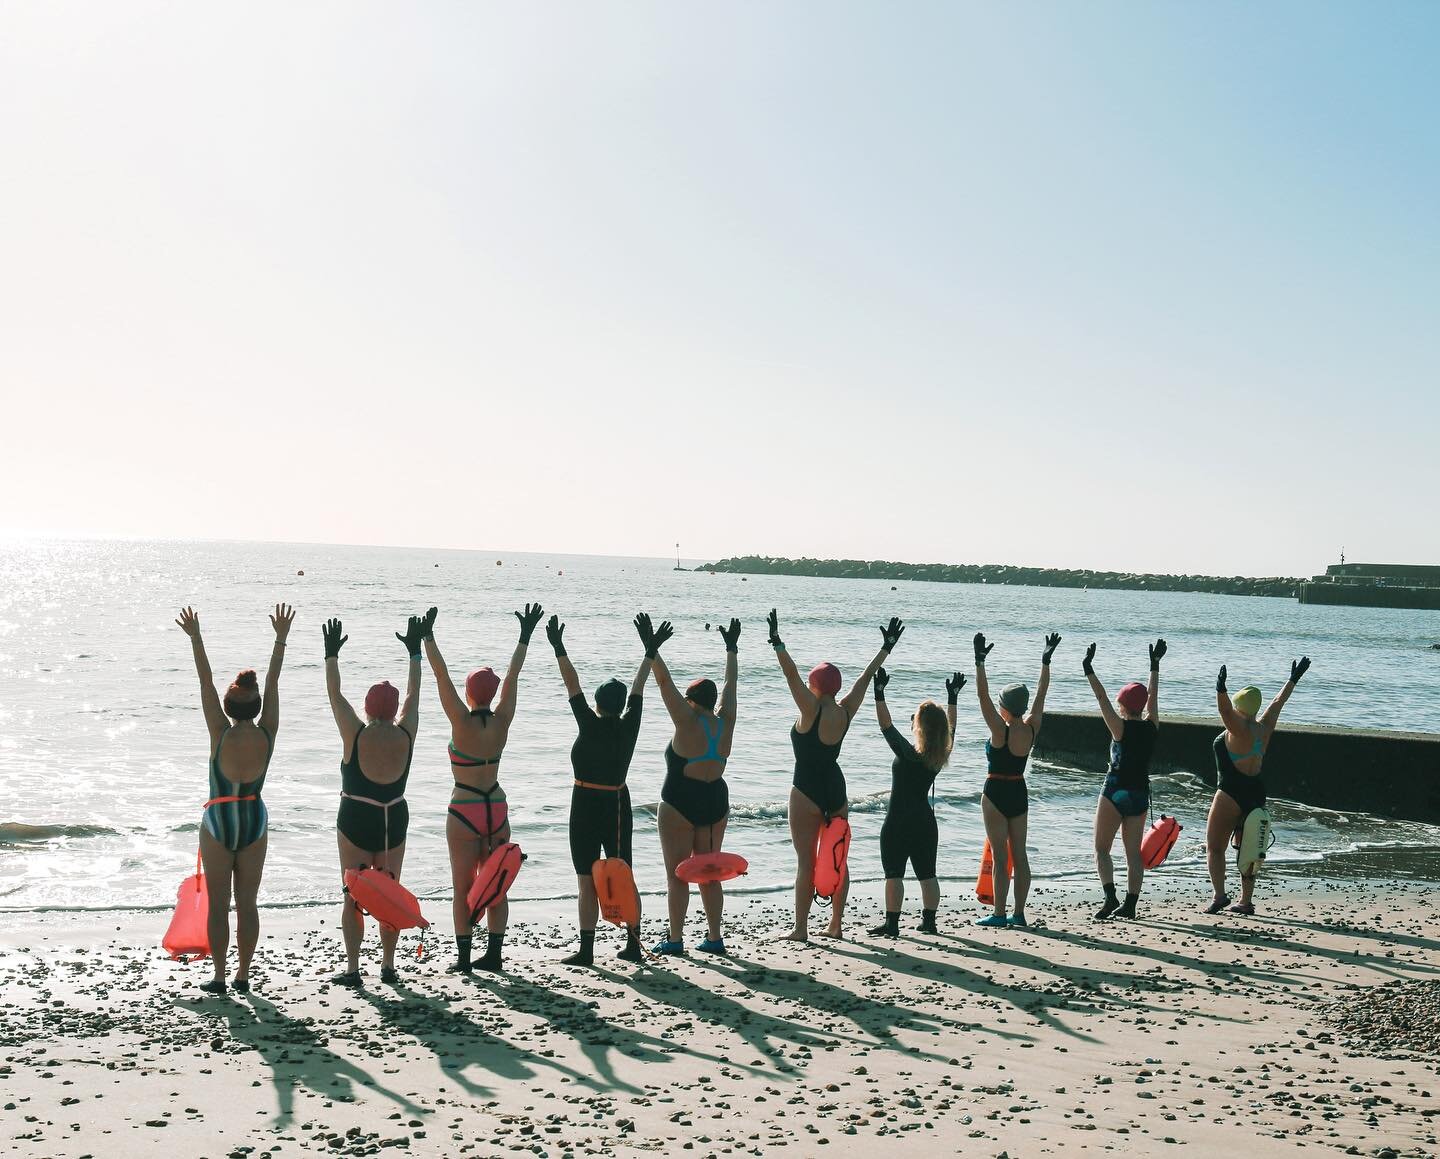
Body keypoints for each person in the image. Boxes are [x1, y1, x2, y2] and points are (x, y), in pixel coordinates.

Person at [175, 604, 293, 995]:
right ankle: (243, 975)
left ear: (227, 706)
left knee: (218, 903)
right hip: (253, 818)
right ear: (257, 706)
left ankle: (221, 977)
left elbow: (205, 681)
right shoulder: (268, 732)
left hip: (220, 819)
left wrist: (196, 636)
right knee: (248, 904)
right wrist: (280, 639)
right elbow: (273, 683)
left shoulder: (219, 732)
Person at [421, 602, 543, 974]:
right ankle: (494, 954)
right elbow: (513, 676)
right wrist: (525, 635)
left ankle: (463, 958)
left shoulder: (460, 720)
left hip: (465, 808)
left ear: (469, 692)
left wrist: (427, 636)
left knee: (464, 885)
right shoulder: (503, 718)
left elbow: (439, 675)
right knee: (497, 883)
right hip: (497, 806)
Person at [770, 608, 901, 941]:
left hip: (806, 789)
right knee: (837, 857)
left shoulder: (809, 708)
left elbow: (790, 676)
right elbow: (864, 678)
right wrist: (885, 649)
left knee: (806, 862)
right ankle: (835, 925)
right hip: (836, 788)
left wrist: (777, 643)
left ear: (814, 685)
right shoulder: (844, 710)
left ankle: (801, 930)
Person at [545, 610, 652, 966]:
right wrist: (649, 652)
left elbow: (570, 684)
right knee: (622, 874)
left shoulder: (588, 722)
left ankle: (588, 949)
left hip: (585, 805)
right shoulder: (630, 725)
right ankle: (633, 944)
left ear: (596, 702)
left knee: (585, 879)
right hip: (616, 804)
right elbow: (638, 690)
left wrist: (559, 647)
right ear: (620, 706)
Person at [324, 613, 425, 987]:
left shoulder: (354, 730)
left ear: (366, 706)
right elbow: (414, 695)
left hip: (356, 816)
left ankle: (352, 969)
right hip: (393, 818)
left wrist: (331, 654)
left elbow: (335, 695)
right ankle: (387, 965)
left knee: (353, 894)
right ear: (394, 708)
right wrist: (415, 654)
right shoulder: (406, 730)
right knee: (389, 889)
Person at [650, 616, 741, 956]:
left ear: (690, 699)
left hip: (678, 802)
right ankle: (715, 938)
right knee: (709, 872)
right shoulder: (726, 721)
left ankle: (675, 940)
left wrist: (653, 649)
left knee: (678, 874)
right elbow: (731, 683)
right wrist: (732, 649)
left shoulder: (685, 720)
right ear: (712, 700)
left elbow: (663, 683)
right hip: (715, 802)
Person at [1205, 656, 1311, 915]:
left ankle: (1220, 896)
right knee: (1249, 848)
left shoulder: (1237, 728)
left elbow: (1224, 711)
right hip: (1256, 792)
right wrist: (1292, 680)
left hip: (1231, 791)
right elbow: (1278, 702)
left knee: (1215, 847)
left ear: (1239, 704)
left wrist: (1220, 689)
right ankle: (1246, 900)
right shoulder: (1263, 727)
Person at [867, 666, 962, 938]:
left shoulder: (909, 755)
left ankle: (892, 924)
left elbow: (886, 726)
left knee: (894, 874)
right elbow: (951, 729)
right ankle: (929, 922)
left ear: (920, 727)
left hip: (898, 821)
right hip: (924, 821)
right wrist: (952, 699)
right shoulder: (938, 755)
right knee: (927, 874)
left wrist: (879, 694)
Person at [973, 631, 1057, 928]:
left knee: (999, 855)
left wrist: (979, 662)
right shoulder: (1031, 727)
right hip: (1019, 791)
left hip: (995, 791)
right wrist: (1045, 661)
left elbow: (981, 697)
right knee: (1020, 855)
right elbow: (1041, 693)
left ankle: (998, 913)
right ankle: (1019, 913)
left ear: (1004, 707)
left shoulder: (1000, 730)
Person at [1083, 639, 1165, 921]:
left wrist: (1089, 669)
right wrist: (1155, 666)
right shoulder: (1151, 726)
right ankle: (1130, 904)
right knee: (1133, 854)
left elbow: (1101, 699)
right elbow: (1152, 698)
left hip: (1115, 789)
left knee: (1101, 849)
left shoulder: (1119, 728)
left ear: (1122, 705)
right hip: (1140, 793)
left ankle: (1109, 897)